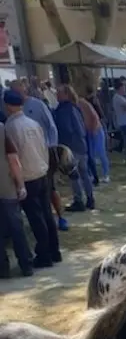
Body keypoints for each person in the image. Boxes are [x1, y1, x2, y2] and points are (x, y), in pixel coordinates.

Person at [3, 90, 61, 268]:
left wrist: (17, 180)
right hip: (42, 171)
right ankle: (54, 250)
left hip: (27, 175)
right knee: (47, 214)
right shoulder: (33, 123)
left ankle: (43, 255)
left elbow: (13, 155)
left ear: (8, 106)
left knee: (36, 218)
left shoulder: (10, 128)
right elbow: (44, 147)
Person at [0, 119, 33, 277]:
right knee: (16, 227)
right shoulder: (2, 129)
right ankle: (26, 264)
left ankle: (2, 268)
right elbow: (13, 160)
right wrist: (21, 185)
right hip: (5, 186)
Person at [55, 84, 94, 211]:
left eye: (59, 93)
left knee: (74, 175)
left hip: (71, 147)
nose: (57, 95)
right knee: (84, 173)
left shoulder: (64, 110)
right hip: (81, 144)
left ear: (66, 94)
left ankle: (79, 201)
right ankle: (90, 198)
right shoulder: (74, 108)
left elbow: (66, 128)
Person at [78, 86, 109, 184]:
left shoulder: (84, 103)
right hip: (88, 131)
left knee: (100, 152)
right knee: (91, 154)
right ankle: (94, 175)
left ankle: (106, 174)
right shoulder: (80, 104)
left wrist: (94, 130)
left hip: (95, 130)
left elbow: (96, 117)